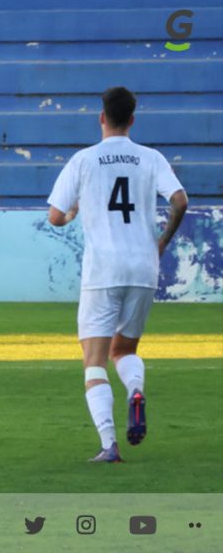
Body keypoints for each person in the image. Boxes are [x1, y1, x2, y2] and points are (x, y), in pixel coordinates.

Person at [47, 86, 188, 463]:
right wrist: (161, 242)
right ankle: (135, 390)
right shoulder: (150, 158)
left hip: (103, 270)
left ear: (101, 118)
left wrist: (74, 212)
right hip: (144, 266)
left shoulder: (84, 160)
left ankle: (110, 444)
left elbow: (55, 216)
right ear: (133, 119)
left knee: (94, 360)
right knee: (124, 349)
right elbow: (180, 200)